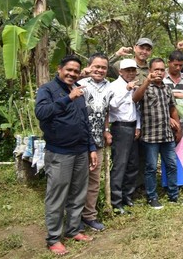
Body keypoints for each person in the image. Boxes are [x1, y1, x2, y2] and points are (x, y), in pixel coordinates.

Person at [35, 55, 98, 255]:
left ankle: (73, 230)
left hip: (80, 151)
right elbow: (42, 112)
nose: (71, 74)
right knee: (57, 197)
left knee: (78, 194)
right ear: (60, 69)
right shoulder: (48, 90)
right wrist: (67, 99)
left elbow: (84, 121)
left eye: (75, 71)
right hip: (59, 152)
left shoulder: (77, 89)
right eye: (68, 70)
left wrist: (91, 147)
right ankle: (53, 238)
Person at [132, 58, 183, 209]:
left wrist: (178, 128)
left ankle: (174, 196)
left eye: (162, 70)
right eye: (156, 70)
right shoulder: (144, 87)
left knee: (172, 165)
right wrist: (146, 82)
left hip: (167, 135)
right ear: (150, 71)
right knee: (151, 168)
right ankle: (152, 197)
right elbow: (135, 98)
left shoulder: (167, 89)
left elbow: (172, 109)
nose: (159, 72)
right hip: (150, 136)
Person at [77, 54, 113, 232]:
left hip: (98, 140)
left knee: (93, 181)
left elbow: (106, 111)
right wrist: (80, 75)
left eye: (103, 67)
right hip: (79, 140)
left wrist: (106, 130)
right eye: (96, 66)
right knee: (76, 180)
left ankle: (89, 216)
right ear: (89, 66)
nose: (99, 70)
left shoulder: (109, 87)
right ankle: (73, 218)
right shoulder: (79, 83)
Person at [108, 58, 141, 215]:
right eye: (128, 70)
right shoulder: (114, 86)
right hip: (120, 127)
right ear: (120, 72)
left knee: (133, 164)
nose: (131, 73)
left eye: (133, 70)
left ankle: (128, 195)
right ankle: (116, 201)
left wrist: (138, 126)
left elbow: (137, 107)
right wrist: (127, 90)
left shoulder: (136, 86)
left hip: (133, 127)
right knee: (120, 164)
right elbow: (112, 106)